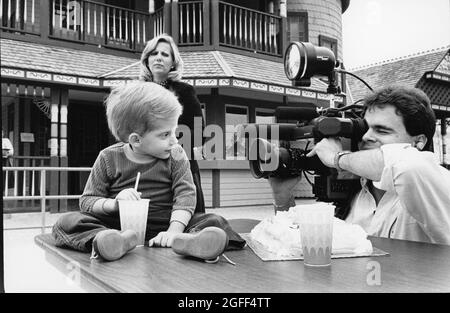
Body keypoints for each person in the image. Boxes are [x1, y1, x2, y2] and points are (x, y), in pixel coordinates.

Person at [52, 81, 245, 262]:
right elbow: (87, 201)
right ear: (136, 140)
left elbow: (186, 195)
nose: (174, 140)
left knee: (214, 221)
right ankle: (112, 241)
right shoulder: (108, 157)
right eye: (165, 134)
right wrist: (114, 204)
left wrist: (173, 230)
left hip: (166, 222)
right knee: (67, 222)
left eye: (174, 132)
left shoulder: (176, 154)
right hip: (118, 225)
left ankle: (185, 241)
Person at [270, 85, 450, 245]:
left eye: (382, 130)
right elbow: (299, 246)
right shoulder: (355, 193)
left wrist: (337, 158)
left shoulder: (432, 180)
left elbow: (407, 165)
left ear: (419, 142)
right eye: (365, 127)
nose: (365, 137)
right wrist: (283, 196)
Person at [139, 34, 206, 214]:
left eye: (165, 54)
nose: (158, 57)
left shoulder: (184, 91)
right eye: (154, 53)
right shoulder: (136, 93)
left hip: (179, 166)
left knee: (189, 228)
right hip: (144, 168)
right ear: (147, 60)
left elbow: (200, 134)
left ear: (173, 63)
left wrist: (167, 143)